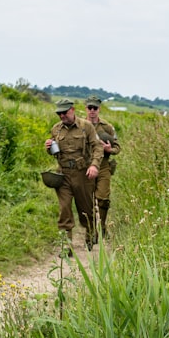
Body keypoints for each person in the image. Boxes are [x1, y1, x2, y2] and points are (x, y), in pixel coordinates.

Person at [45, 98, 103, 253]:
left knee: (86, 209)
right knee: (64, 209)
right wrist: (48, 147)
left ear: (72, 110)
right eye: (59, 113)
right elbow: (54, 152)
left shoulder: (86, 127)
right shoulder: (56, 129)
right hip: (63, 175)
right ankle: (66, 246)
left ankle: (90, 235)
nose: (62, 116)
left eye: (64, 112)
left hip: (83, 174)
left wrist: (94, 165)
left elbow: (97, 147)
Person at [84, 96, 120, 240]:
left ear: (99, 109)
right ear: (86, 108)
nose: (92, 111)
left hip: (104, 166)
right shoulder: (80, 125)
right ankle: (91, 232)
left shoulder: (107, 127)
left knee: (103, 198)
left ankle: (103, 226)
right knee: (87, 201)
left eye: (95, 108)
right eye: (90, 108)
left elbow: (118, 147)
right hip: (86, 165)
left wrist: (109, 149)